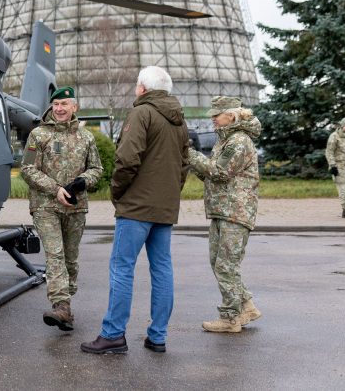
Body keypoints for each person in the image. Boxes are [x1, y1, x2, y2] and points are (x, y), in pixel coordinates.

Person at [81, 66, 188, 355]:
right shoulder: (179, 119)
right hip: (164, 208)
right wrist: (169, 195)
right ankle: (158, 336)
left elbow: (127, 159)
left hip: (137, 208)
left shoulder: (142, 112)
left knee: (121, 268)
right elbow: (184, 164)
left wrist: (117, 192)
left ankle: (113, 334)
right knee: (162, 269)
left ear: (142, 87)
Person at [21, 86, 104, 332]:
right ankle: (61, 306)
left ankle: (66, 302)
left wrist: (82, 182)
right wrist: (56, 189)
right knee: (55, 255)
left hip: (75, 209)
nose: (59, 109)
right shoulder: (38, 135)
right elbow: (27, 169)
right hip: (46, 206)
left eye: (64, 105)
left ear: (74, 107)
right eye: (56, 105)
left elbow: (97, 169)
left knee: (70, 259)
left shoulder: (86, 137)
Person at [188, 96, 262, 333]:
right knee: (218, 262)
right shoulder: (227, 139)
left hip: (235, 211)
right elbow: (211, 173)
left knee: (225, 266)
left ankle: (230, 318)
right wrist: (195, 162)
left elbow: (220, 172)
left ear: (231, 115)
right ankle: (246, 306)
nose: (212, 119)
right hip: (223, 209)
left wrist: (189, 154)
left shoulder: (238, 141)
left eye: (216, 115)